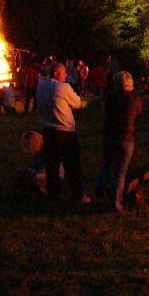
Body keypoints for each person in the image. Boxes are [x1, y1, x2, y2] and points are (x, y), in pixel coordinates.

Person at [37, 63, 88, 204]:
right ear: (57, 73)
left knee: (52, 166)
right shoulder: (62, 87)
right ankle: (77, 195)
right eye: (64, 73)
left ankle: (54, 195)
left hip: (48, 131)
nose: (66, 75)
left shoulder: (41, 86)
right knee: (72, 165)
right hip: (64, 132)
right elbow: (77, 103)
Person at [97, 71, 142, 213]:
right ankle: (115, 204)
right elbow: (137, 116)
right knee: (120, 173)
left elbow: (107, 112)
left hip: (110, 136)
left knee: (107, 164)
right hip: (126, 139)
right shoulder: (134, 100)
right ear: (130, 84)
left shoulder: (110, 97)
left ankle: (101, 188)